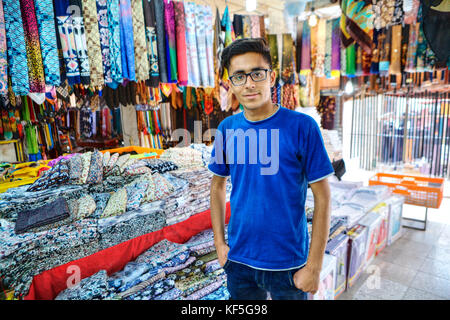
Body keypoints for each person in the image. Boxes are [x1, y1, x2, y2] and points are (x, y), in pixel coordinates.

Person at [208, 38, 334, 300]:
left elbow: (323, 196)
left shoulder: (302, 126)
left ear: (272, 77)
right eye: (239, 76)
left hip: (287, 263)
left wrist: (314, 266)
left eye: (257, 73)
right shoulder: (227, 129)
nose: (249, 83)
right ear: (230, 83)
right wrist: (220, 244)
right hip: (239, 261)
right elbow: (217, 185)